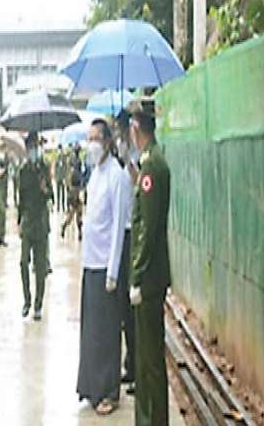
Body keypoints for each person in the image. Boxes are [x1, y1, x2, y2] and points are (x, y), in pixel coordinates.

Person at [76, 119, 133, 416]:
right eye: (89, 138)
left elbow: (119, 227)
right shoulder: (95, 175)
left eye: (96, 138)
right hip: (90, 263)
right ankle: (91, 387)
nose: (92, 144)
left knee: (108, 331)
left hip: (106, 268)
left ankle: (109, 391)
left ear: (108, 142)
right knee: (92, 331)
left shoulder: (117, 177)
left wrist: (113, 271)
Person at [129, 110, 171, 426]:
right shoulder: (148, 163)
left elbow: (148, 228)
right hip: (151, 275)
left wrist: (137, 274)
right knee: (145, 357)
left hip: (150, 277)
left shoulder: (152, 165)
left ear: (136, 128)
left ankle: (153, 419)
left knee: (150, 359)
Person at [17, 131, 52, 321]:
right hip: (28, 222)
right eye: (31, 147)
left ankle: (38, 305)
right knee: (23, 262)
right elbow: (20, 198)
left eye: (35, 146)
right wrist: (19, 221)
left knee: (40, 268)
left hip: (41, 223)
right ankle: (27, 300)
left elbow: (51, 195)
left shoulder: (44, 167)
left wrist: (45, 189)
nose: (33, 150)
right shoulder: (23, 171)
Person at [115, 111, 138, 391]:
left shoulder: (140, 162)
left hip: (133, 236)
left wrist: (133, 171)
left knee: (132, 311)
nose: (120, 138)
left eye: (122, 131)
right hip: (124, 235)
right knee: (125, 309)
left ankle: (136, 367)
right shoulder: (124, 162)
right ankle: (130, 364)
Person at [61, 144, 84, 240]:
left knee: (78, 212)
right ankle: (64, 226)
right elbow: (69, 177)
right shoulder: (72, 162)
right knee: (73, 213)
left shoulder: (77, 162)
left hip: (76, 189)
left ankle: (79, 232)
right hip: (73, 190)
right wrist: (71, 189)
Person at [54, 144, 67, 212]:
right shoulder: (57, 158)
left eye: (60, 149)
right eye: (59, 149)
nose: (59, 150)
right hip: (58, 178)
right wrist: (55, 177)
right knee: (58, 193)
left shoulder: (64, 157)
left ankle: (63, 206)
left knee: (63, 193)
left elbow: (65, 168)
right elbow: (55, 168)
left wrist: (65, 177)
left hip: (62, 178)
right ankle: (58, 207)